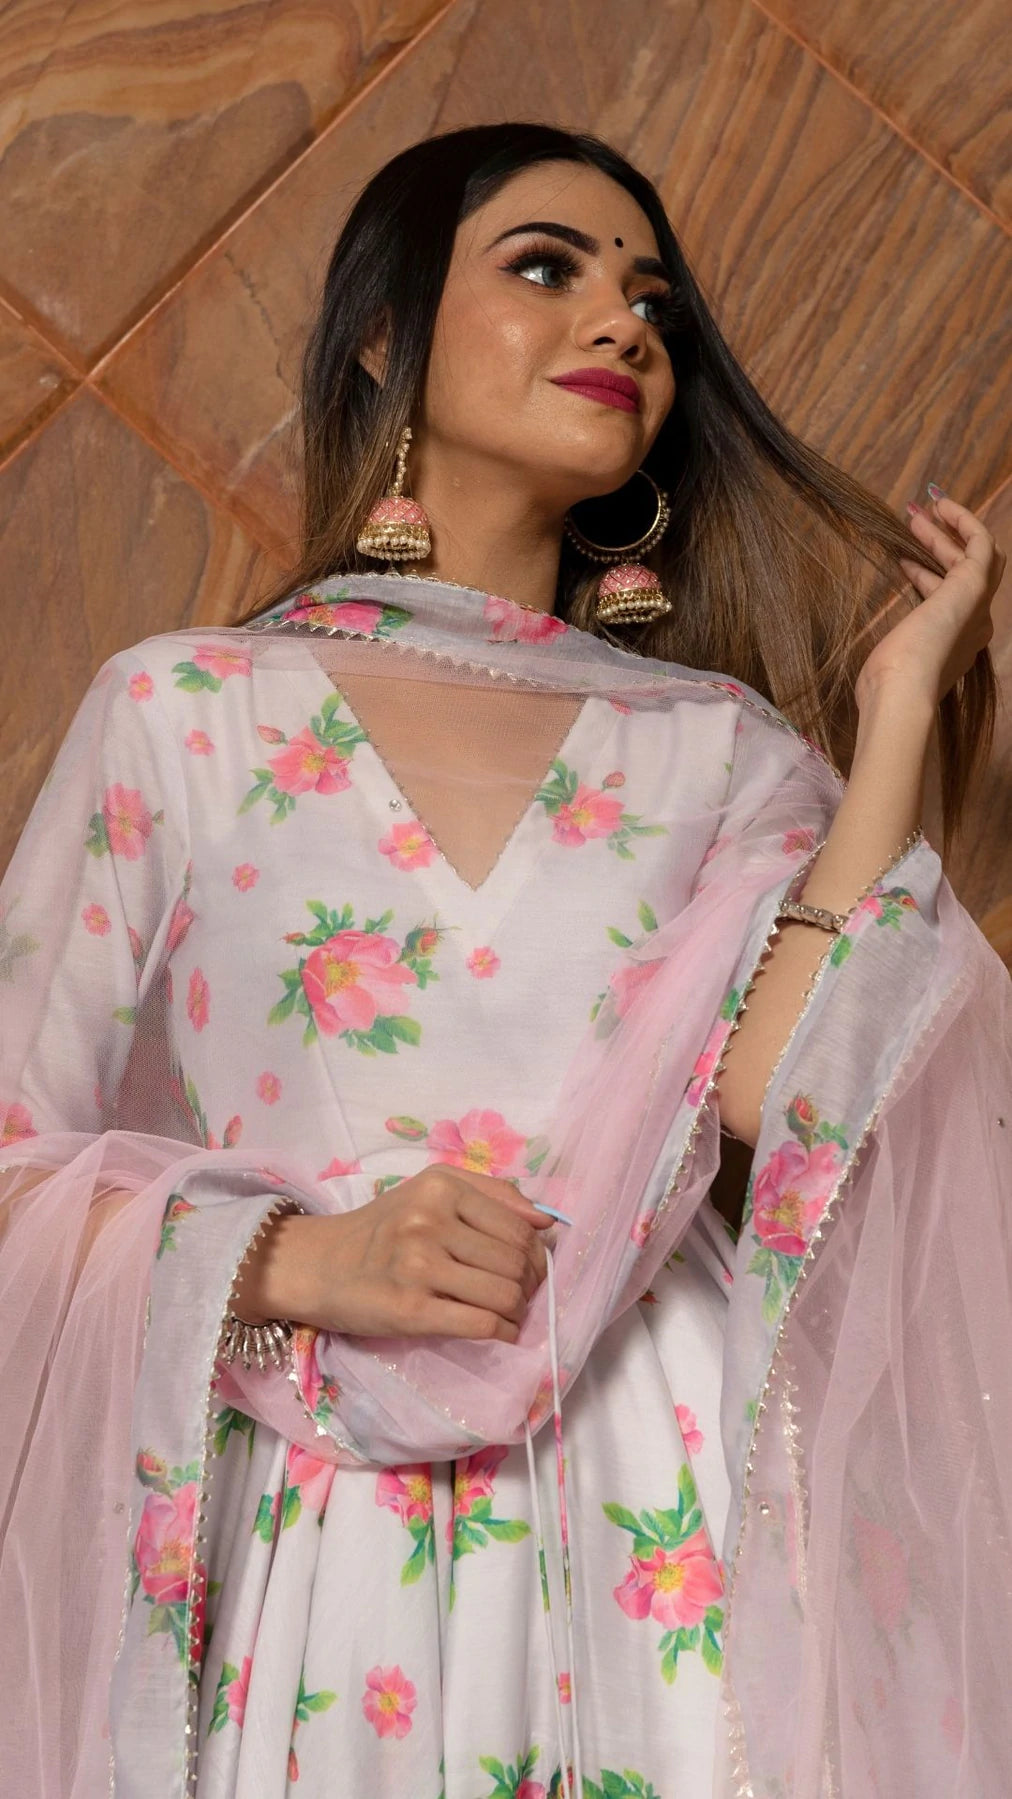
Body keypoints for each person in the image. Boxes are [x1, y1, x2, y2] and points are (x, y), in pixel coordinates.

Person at [1, 122, 1008, 1799]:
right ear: (385, 338)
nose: (622, 325)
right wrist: (295, 1262)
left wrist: (895, 715)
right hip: (329, 1524)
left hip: (667, 1506)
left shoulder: (720, 749)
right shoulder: (185, 709)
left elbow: (780, 1096)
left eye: (652, 305)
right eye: (547, 269)